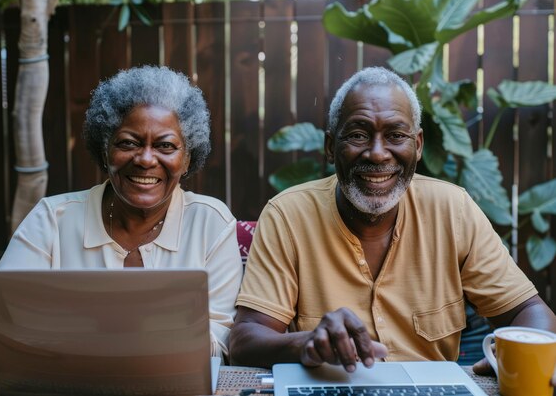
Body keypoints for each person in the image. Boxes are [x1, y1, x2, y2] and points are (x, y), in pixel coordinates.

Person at [228, 67, 556, 378]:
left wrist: (513, 361)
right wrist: (308, 343)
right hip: (332, 389)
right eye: (357, 135)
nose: (377, 154)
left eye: (396, 135)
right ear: (330, 148)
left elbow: (529, 312)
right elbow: (245, 341)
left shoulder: (453, 210)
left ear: (418, 145)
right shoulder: (288, 215)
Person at [0, 65, 243, 385]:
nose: (145, 159)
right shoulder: (53, 218)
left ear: (187, 159)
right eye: (128, 143)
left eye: (165, 146)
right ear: (105, 150)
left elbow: (221, 338)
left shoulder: (211, 223)